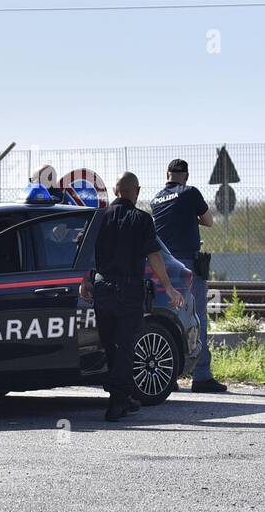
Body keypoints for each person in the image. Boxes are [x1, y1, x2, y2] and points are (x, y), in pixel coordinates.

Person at [80, 172, 185, 422]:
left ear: (116, 191)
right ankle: (118, 401)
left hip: (103, 290)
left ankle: (123, 397)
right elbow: (154, 256)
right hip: (129, 292)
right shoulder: (142, 220)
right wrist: (168, 287)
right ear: (136, 191)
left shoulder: (98, 218)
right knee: (125, 346)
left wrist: (85, 280)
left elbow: (85, 253)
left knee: (111, 346)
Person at [151, 158, 224, 393]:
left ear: (167, 174)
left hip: (163, 266)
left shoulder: (155, 199)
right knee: (198, 318)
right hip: (187, 266)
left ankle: (168, 376)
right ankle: (201, 376)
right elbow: (209, 221)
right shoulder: (190, 192)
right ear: (187, 175)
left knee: (169, 318)